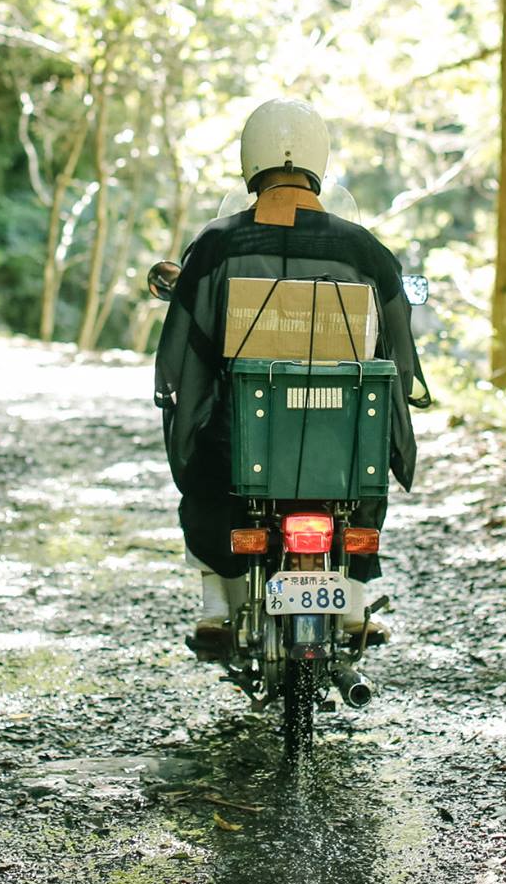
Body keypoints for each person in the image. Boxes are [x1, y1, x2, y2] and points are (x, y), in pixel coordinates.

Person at [152, 98, 428, 654]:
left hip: (240, 437)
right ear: (317, 163)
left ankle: (216, 602)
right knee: (365, 461)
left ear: (250, 160)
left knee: (209, 461)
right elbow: (396, 354)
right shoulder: (366, 250)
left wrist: (188, 410)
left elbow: (186, 355)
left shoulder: (215, 245)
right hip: (341, 443)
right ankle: (351, 598)